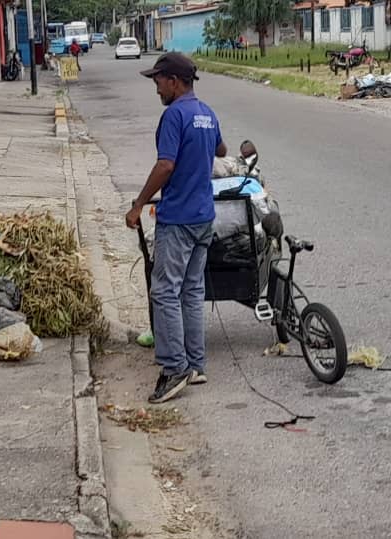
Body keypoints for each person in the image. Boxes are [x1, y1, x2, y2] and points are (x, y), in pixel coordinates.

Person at [125, 52, 227, 404]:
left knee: (165, 291)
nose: (156, 89)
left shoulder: (174, 115)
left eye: (158, 82)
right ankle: (196, 365)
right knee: (191, 292)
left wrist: (139, 204)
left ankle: (173, 368)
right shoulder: (206, 113)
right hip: (204, 218)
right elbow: (222, 148)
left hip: (179, 219)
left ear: (174, 81)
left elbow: (165, 165)